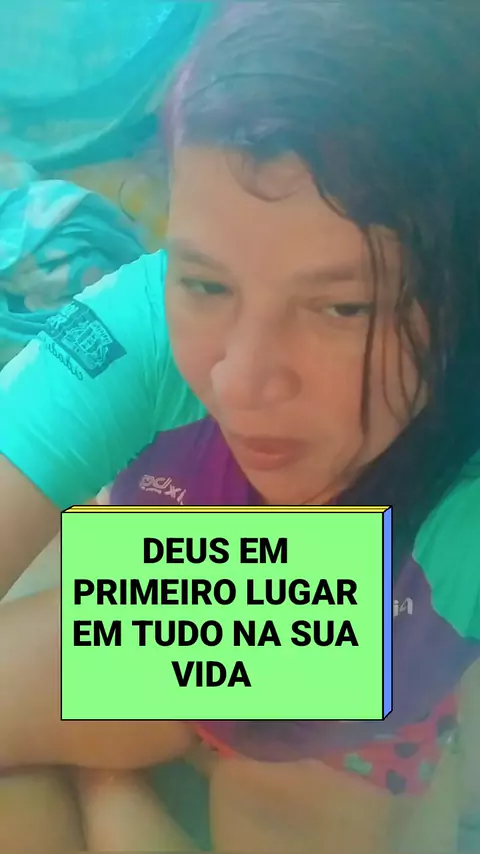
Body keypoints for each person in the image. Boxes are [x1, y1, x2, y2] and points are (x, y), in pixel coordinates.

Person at [1, 1, 480, 851]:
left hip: (369, 671)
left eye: (344, 306)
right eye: (208, 284)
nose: (240, 381)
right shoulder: (142, 323)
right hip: (186, 602)